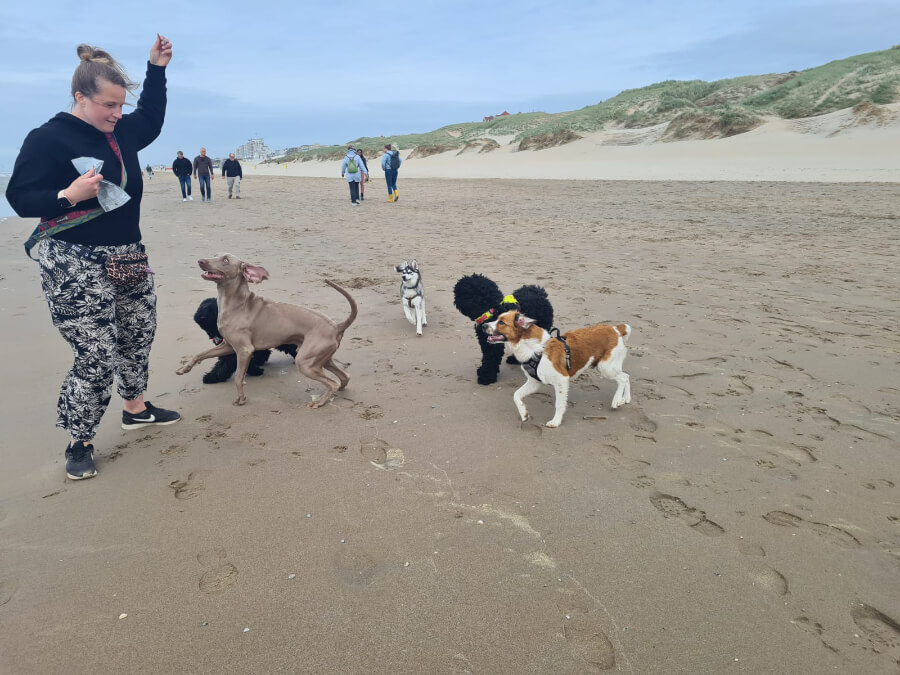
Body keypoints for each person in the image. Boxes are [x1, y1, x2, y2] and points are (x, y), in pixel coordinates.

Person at [5, 35, 181, 481]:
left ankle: (135, 408)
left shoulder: (121, 131)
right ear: (81, 97)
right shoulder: (48, 137)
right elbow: (20, 197)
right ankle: (79, 439)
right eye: (109, 105)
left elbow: (152, 119)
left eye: (121, 106)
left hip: (128, 253)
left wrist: (156, 69)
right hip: (72, 259)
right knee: (97, 353)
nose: (117, 115)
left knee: (138, 333)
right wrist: (67, 195)